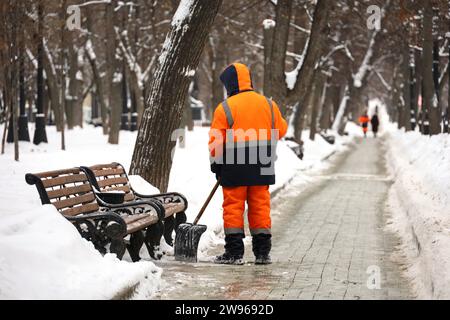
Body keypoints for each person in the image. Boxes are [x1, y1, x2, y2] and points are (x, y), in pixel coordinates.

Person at [208, 63, 288, 265]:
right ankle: (262, 253)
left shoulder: (225, 107)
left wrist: (216, 165)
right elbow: (282, 130)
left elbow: (217, 140)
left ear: (230, 84)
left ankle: (234, 253)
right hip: (262, 162)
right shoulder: (269, 105)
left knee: (233, 207)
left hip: (234, 165)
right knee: (260, 206)